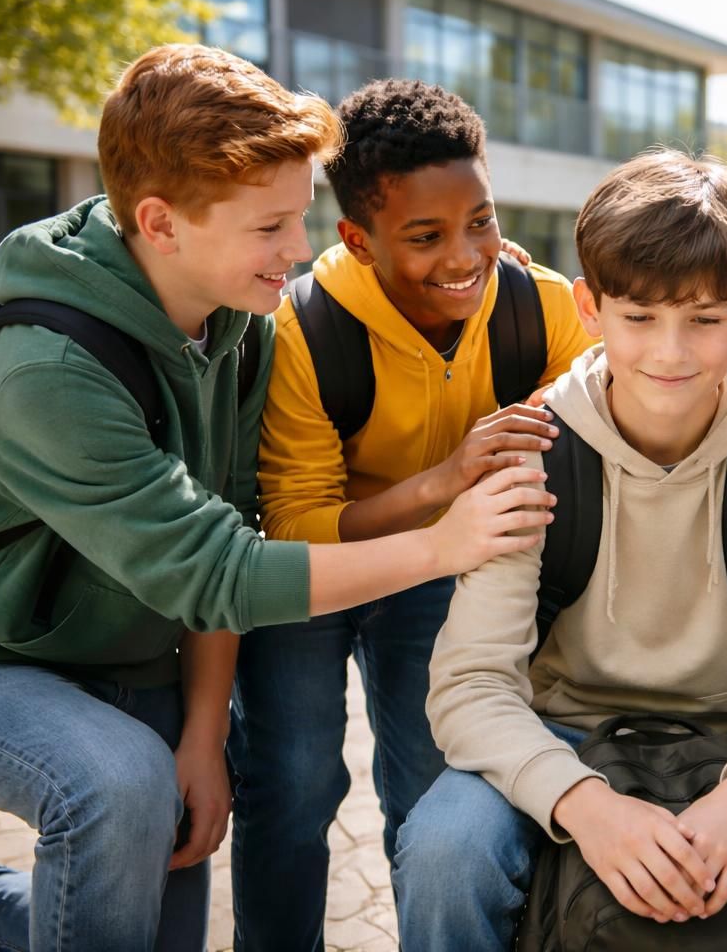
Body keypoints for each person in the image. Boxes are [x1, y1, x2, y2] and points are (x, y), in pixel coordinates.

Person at [0, 44, 553, 952]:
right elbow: (219, 571)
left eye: (299, 220)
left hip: (126, 659)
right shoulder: (44, 375)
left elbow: (223, 520)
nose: (300, 251)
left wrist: (206, 734)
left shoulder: (237, 325)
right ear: (161, 223)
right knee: (121, 784)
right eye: (271, 229)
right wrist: (444, 543)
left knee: (139, 906)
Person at [392, 150, 727, 951]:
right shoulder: (535, 456)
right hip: (564, 730)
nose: (671, 353)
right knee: (442, 848)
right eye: (639, 318)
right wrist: (585, 804)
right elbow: (470, 686)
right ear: (589, 307)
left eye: (704, 320)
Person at [233, 78, 593, 952]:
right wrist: (443, 482)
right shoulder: (302, 330)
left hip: (437, 571)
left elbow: (611, 396)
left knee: (433, 789)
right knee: (291, 784)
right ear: (357, 239)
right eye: (425, 237)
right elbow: (297, 526)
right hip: (315, 578)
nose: (465, 255)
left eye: (480, 219)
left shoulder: (537, 306)